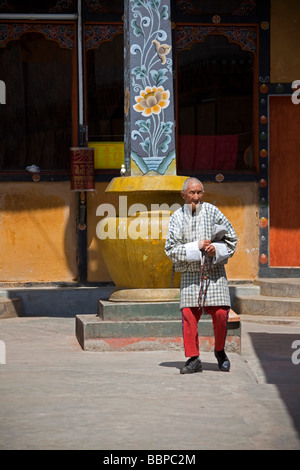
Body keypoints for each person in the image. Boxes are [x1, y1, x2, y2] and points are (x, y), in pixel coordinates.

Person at [165, 177, 237, 374]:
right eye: (192, 193)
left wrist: (217, 249)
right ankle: (193, 358)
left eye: (199, 193)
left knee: (222, 313)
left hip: (214, 272)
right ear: (183, 195)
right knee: (188, 314)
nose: (196, 197)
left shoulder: (213, 212)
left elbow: (232, 238)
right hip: (190, 274)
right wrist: (195, 247)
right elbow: (170, 249)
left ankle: (220, 351)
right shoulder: (176, 217)